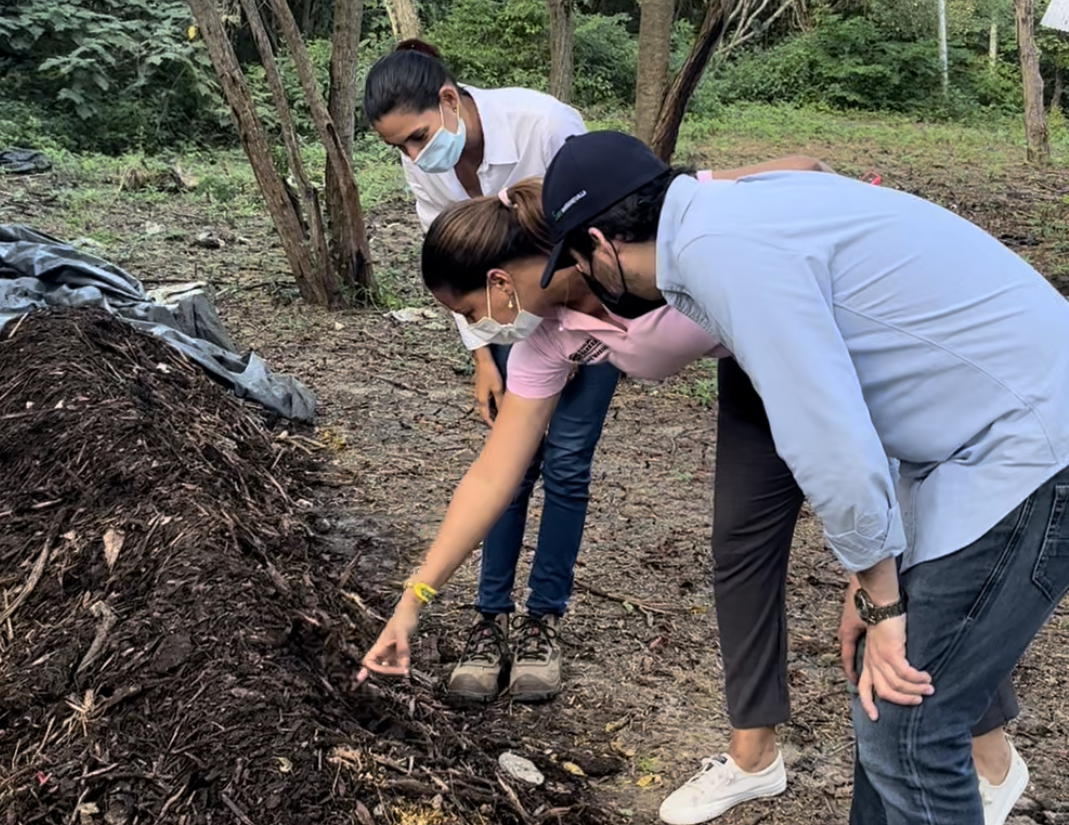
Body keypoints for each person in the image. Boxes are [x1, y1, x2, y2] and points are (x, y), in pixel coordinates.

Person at [357, 169, 1027, 824]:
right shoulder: (551, 334)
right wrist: (413, 600)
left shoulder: (646, 235)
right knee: (739, 546)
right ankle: (754, 754)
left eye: (471, 312)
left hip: (824, 347)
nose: (480, 328)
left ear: (499, 283)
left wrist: (869, 576)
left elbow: (770, 182)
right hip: (750, 363)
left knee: (914, 553)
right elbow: (492, 474)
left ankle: (989, 756)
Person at [536, 130, 1066, 825]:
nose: (595, 285)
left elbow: (825, 432)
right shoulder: (737, 211)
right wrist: (872, 577)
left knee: (909, 724)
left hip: (1031, 446)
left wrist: (883, 598)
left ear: (601, 244)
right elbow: (891, 383)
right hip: (987, 435)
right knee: (884, 696)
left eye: (580, 264)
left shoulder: (722, 254)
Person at [362, 39, 622, 703]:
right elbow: (454, 270)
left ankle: (543, 620)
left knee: (566, 463)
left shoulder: (546, 127)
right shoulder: (422, 166)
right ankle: (489, 617)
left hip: (583, 315)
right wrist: (483, 354)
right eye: (401, 149)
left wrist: (580, 337)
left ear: (449, 99)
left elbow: (597, 243)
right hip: (503, 319)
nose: (417, 158)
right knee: (508, 465)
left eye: (420, 136)